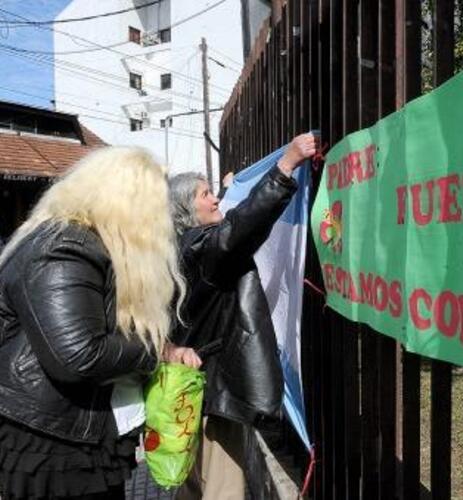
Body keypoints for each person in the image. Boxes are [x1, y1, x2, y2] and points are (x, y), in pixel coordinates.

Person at [0, 147, 201, 500]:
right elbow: (79, 355)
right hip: (50, 440)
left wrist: (162, 348)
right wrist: (156, 352)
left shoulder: (90, 243)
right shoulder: (63, 246)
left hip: (80, 432)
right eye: (156, 207)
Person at [168, 133, 317, 500]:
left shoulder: (177, 250)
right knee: (221, 489)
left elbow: (231, 225)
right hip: (212, 396)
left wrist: (231, 190)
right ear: (188, 211)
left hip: (190, 391)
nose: (215, 198)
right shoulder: (203, 248)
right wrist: (285, 167)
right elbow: (238, 230)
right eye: (206, 195)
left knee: (193, 483)